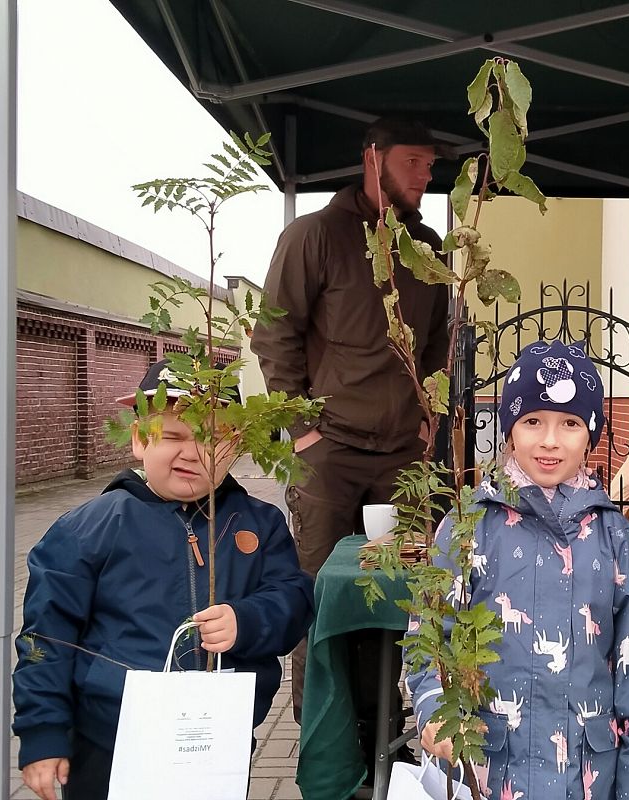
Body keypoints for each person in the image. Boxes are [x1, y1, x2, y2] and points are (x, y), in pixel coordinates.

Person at [12, 359, 314, 800]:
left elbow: (294, 599)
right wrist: (43, 731)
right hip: (108, 739)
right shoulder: (91, 527)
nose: (190, 453)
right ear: (139, 439)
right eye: (172, 436)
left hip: (215, 738)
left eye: (211, 437)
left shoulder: (261, 523)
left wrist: (247, 620)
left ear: (235, 445)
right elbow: (46, 637)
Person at [250, 116, 451, 724]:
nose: (425, 174)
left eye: (430, 164)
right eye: (413, 161)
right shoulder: (313, 236)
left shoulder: (429, 251)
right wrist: (301, 435)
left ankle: (386, 734)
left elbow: (442, 342)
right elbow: (275, 334)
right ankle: (329, 756)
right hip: (328, 456)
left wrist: (427, 423)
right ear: (374, 158)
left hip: (404, 459)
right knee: (325, 599)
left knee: (405, 597)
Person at [408, 340, 629, 799]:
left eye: (569, 423)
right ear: (510, 429)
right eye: (533, 421)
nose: (550, 441)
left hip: (587, 778)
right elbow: (427, 635)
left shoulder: (613, 537)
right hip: (489, 772)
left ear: (591, 434)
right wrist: (434, 710)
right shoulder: (469, 526)